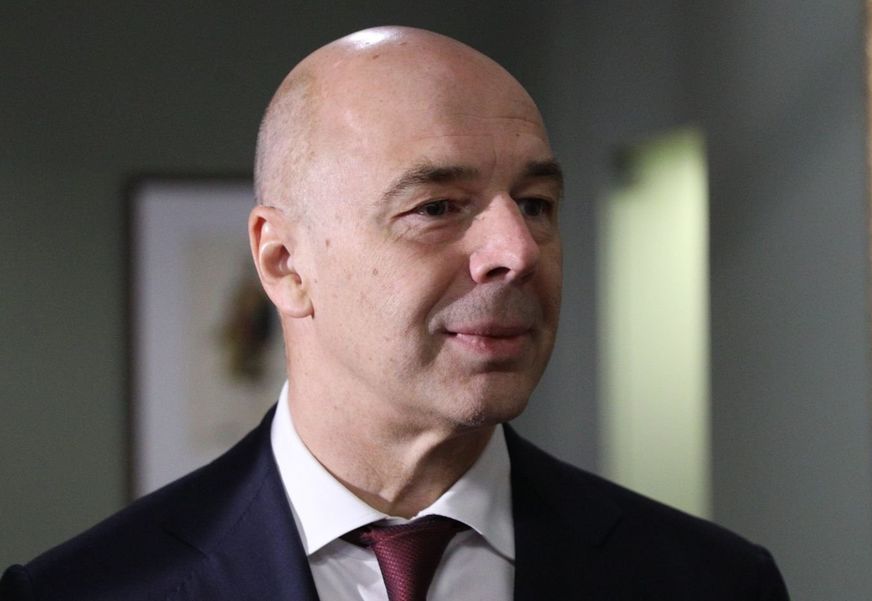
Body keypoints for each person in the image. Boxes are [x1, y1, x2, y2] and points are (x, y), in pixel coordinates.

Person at [0, 26, 789, 600]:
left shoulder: (712, 582)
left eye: (536, 203)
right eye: (437, 206)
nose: (517, 250)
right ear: (284, 262)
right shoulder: (88, 590)